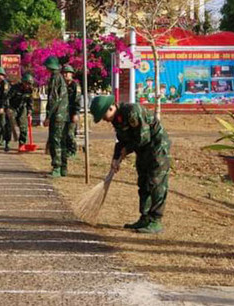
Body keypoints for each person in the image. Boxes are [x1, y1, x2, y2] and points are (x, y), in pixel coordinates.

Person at [89, 95, 171, 234]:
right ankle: (145, 218)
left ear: (111, 107)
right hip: (143, 150)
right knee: (143, 182)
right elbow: (121, 141)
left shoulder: (132, 111)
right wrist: (115, 158)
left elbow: (143, 137)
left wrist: (126, 150)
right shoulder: (116, 119)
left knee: (156, 183)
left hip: (157, 147)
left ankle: (155, 220)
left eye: (103, 115)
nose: (104, 119)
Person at [44, 57, 68, 176]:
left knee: (56, 141)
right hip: (63, 115)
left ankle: (57, 167)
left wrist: (48, 116)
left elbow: (53, 99)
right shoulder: (61, 78)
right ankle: (63, 167)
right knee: (62, 141)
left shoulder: (55, 78)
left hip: (57, 115)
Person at [8, 73, 35, 145]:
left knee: (24, 127)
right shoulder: (15, 88)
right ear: (22, 82)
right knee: (9, 126)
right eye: (26, 83)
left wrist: (29, 112)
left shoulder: (30, 90)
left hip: (22, 108)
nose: (27, 85)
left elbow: (30, 102)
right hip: (12, 107)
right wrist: (7, 108)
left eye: (29, 84)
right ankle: (7, 142)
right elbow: (7, 98)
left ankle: (22, 144)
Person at [63, 65, 80, 159]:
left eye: (67, 73)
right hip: (63, 113)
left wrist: (76, 113)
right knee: (64, 133)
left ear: (71, 74)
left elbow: (77, 101)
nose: (65, 74)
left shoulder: (75, 85)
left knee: (70, 133)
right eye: (64, 73)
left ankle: (73, 151)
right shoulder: (62, 85)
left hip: (72, 112)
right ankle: (66, 150)